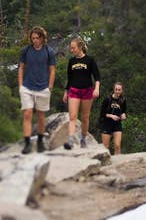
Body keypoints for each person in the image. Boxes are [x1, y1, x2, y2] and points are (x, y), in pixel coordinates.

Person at [18, 25, 56, 154]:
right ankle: (27, 144)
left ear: (42, 38)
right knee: (27, 113)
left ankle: (40, 142)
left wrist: (50, 86)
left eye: (37, 38)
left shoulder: (48, 51)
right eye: (33, 38)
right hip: (27, 87)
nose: (34, 40)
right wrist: (20, 86)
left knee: (41, 116)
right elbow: (21, 68)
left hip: (43, 88)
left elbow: (52, 70)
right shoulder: (26, 50)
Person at [62, 36, 100, 149]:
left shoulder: (90, 60)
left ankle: (83, 139)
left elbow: (97, 76)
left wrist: (97, 89)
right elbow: (69, 78)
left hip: (87, 91)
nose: (71, 50)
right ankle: (70, 141)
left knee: (85, 117)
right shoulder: (71, 61)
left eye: (73, 48)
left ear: (80, 47)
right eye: (71, 48)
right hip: (74, 91)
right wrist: (66, 92)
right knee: (72, 117)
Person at [100, 82, 127, 154]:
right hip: (106, 124)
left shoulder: (123, 100)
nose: (118, 91)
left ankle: (118, 163)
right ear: (114, 89)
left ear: (122, 90)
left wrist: (123, 115)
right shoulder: (107, 99)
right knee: (106, 147)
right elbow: (102, 114)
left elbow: (124, 111)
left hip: (117, 124)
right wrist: (111, 116)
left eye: (119, 90)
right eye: (116, 89)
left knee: (117, 146)